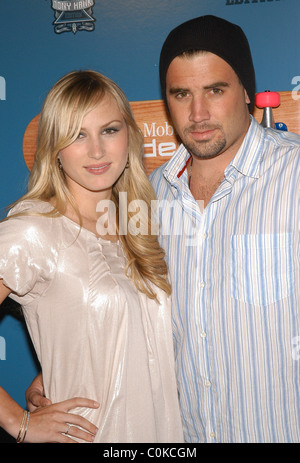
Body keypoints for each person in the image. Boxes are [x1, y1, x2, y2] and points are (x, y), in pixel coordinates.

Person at [0, 70, 183, 443]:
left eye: (109, 130)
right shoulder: (33, 229)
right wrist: (17, 421)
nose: (96, 150)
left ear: (128, 136)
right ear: (54, 147)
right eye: (78, 135)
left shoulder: (140, 222)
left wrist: (68, 357)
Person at [149, 15, 300, 442]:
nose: (198, 114)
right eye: (181, 94)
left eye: (215, 90)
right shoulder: (148, 197)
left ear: (247, 92)